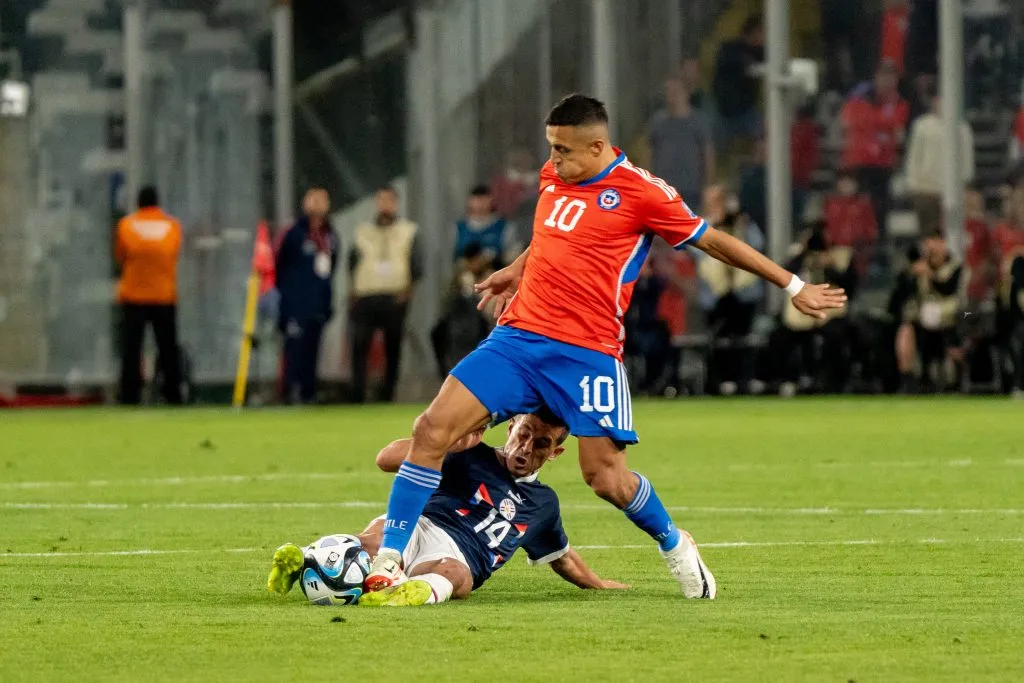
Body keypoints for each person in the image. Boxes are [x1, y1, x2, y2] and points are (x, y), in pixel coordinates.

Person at [364, 94, 846, 599]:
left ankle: (674, 543)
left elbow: (713, 241)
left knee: (605, 478)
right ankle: (391, 560)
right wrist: (516, 269)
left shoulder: (643, 193)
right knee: (432, 428)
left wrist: (793, 286)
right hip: (519, 338)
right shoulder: (557, 177)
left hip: (586, 354)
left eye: (563, 151)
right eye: (550, 148)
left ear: (597, 146)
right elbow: (552, 234)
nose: (552, 161)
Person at [267, 410, 628, 606]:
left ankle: (408, 595)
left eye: (541, 443)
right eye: (524, 433)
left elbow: (562, 557)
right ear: (511, 427)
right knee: (374, 544)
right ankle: (303, 559)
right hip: (420, 524)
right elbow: (386, 458)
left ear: (555, 453)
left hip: (459, 556)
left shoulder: (544, 504)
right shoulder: (471, 454)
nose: (526, 448)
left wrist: (599, 585)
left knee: (456, 576)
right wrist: (451, 444)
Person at [349, 186, 423, 403]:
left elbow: (416, 265)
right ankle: (357, 395)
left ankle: (387, 395)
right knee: (360, 345)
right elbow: (351, 263)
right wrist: (352, 292)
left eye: (389, 200)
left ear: (396, 203)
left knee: (393, 348)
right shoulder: (362, 231)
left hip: (394, 297)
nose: (385, 205)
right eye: (381, 200)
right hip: (366, 296)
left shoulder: (408, 231)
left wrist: (408, 292)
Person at [115, 185, 183, 406]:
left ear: (138, 202)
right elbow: (174, 252)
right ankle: (172, 393)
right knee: (167, 348)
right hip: (164, 295)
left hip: (134, 296)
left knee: (131, 349)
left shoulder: (126, 226)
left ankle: (129, 395)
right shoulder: (172, 226)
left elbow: (120, 255)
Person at [275, 188, 339, 404]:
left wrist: (327, 301)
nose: (318, 204)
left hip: (318, 304)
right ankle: (289, 393)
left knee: (313, 350)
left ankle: (308, 393)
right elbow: (279, 266)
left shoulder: (331, 235)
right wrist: (286, 301)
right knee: (294, 350)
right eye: (313, 199)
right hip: (295, 304)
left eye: (322, 199)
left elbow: (332, 269)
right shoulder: (293, 233)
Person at [840, 61, 910, 231]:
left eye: (891, 77)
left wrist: (872, 122)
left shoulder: (900, 103)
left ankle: (880, 245)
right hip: (858, 161)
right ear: (876, 78)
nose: (887, 82)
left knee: (881, 207)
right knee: (857, 206)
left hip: (883, 164)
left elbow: (896, 122)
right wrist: (880, 125)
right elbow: (850, 120)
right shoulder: (858, 99)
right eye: (883, 77)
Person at [894, 232, 964, 393]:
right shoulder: (919, 266)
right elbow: (903, 293)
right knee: (905, 331)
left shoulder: (955, 267)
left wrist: (930, 275)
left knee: (957, 335)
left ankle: (955, 382)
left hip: (949, 320)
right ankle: (908, 381)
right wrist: (912, 273)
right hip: (923, 321)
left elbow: (948, 289)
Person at [904, 88, 974, 237]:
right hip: (925, 188)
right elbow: (914, 157)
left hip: (953, 189)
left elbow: (967, 160)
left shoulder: (962, 128)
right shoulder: (921, 126)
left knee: (952, 232)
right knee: (928, 232)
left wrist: (964, 182)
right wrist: (912, 183)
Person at [649, 76, 715, 212]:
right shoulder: (658, 122)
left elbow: (707, 155)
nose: (671, 96)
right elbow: (649, 154)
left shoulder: (699, 121)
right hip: (664, 191)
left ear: (685, 93)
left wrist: (708, 187)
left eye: (675, 92)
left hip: (692, 191)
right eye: (668, 92)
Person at [712, 16, 765, 151]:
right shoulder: (730, 49)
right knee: (716, 145)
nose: (763, 37)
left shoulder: (762, 53)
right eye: (760, 33)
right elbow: (726, 66)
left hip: (747, 111)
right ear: (752, 32)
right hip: (724, 111)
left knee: (763, 136)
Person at [452, 184, 518, 270]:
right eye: (476, 199)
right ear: (469, 201)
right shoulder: (459, 229)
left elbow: (512, 258)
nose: (480, 204)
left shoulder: (504, 228)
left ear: (491, 200)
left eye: (483, 199)